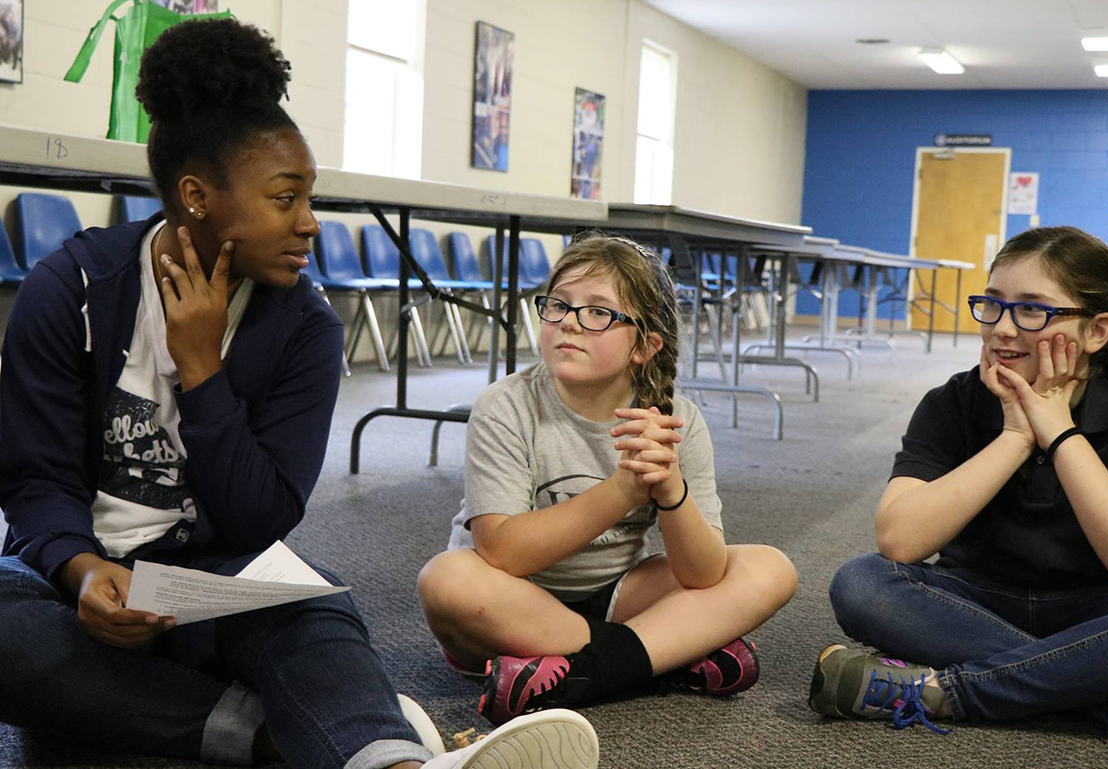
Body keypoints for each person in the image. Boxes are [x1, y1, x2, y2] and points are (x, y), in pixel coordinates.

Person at [0, 18, 598, 769]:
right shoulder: (73, 290)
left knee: (317, 607)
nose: (310, 223)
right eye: (285, 199)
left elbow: (262, 516)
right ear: (196, 197)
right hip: (76, 583)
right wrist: (84, 573)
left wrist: (201, 371)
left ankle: (396, 763)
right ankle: (277, 731)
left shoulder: (305, 328)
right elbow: (35, 482)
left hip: (208, 576)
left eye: (308, 198)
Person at [808, 226, 1108, 751]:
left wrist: (1060, 433)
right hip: (972, 602)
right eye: (991, 305)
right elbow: (900, 541)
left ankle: (948, 692)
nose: (1002, 329)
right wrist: (1016, 436)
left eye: (1032, 311)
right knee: (860, 582)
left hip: (1101, 609)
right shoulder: (953, 402)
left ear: (1098, 330)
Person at [417, 232, 798, 725]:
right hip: (512, 599)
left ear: (645, 346)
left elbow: (701, 573)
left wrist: (670, 490)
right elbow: (502, 552)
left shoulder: (676, 421)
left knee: (770, 568)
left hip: (618, 595)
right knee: (447, 580)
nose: (569, 322)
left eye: (598, 313)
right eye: (558, 305)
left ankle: (577, 673)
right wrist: (623, 490)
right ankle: (661, 657)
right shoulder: (506, 405)